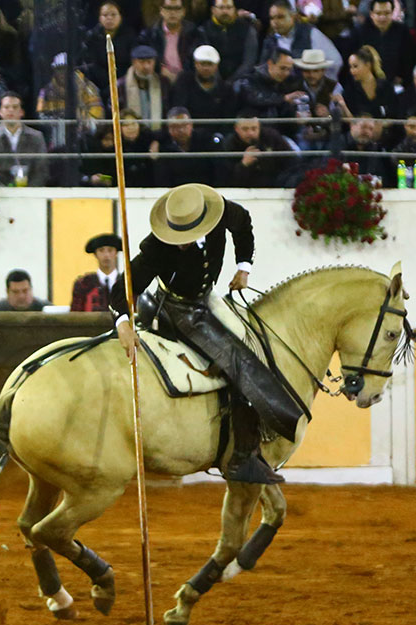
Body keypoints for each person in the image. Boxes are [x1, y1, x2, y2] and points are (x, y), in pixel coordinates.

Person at [111, 183, 304, 485]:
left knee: (256, 340)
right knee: (239, 362)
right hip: (175, 308)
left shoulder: (225, 213)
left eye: (185, 237)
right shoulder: (157, 246)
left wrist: (244, 266)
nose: (181, 243)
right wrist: (123, 321)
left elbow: (244, 226)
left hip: (207, 298)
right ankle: (242, 458)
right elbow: (123, 287)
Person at [0, 90, 48, 186]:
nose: (11, 110)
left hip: (31, 194)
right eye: (6, 107)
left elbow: (42, 170)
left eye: (15, 107)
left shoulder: (36, 137)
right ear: (0, 112)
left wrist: (29, 191)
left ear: (21, 112)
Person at [36, 52, 104, 150]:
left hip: (84, 138)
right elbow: (40, 115)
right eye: (59, 69)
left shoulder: (88, 88)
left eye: (66, 69)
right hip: (56, 138)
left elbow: (98, 114)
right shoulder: (46, 91)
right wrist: (60, 121)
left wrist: (82, 122)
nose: (62, 73)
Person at [260, 0, 342, 80]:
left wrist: (316, 85)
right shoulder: (270, 40)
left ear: (293, 17)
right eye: (272, 18)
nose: (275, 22)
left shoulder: (310, 33)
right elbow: (262, 69)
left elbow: (335, 61)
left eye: (280, 17)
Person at [81, 0, 138, 106]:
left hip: (123, 83)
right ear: (99, 18)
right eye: (105, 15)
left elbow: (132, 63)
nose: (109, 18)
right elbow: (90, 63)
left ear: (120, 16)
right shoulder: (92, 37)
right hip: (98, 84)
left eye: (113, 15)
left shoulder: (130, 36)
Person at [170, 44, 237, 133]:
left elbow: (227, 118)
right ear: (196, 64)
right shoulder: (184, 82)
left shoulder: (225, 89)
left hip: (215, 135)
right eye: (202, 64)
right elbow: (179, 108)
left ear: (216, 66)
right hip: (188, 133)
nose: (206, 68)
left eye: (210, 64)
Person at [348, 0, 411, 86]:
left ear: (392, 13)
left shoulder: (402, 31)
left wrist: (402, 76)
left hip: (395, 85)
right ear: (371, 14)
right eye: (378, 13)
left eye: (387, 13)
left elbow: (409, 59)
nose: (382, 17)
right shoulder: (359, 33)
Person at [154, 105, 222, 186]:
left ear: (191, 125)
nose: (181, 130)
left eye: (184, 125)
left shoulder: (206, 140)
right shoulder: (164, 147)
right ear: (168, 128)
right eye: (175, 126)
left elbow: (219, 170)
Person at [137, 0, 201, 84]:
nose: (173, 12)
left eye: (177, 8)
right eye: (168, 8)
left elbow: (196, 61)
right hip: (158, 80)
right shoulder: (150, 35)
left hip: (188, 81)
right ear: (161, 11)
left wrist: (183, 76)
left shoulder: (193, 33)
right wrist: (160, 69)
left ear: (183, 12)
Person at [235, 47, 304, 125]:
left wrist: (295, 117)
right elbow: (255, 98)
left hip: (277, 131)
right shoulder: (250, 79)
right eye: (283, 68)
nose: (286, 73)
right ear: (270, 63)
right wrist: (283, 98)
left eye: (289, 69)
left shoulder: (287, 82)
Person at [224, 112, 293, 187]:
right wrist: (243, 165)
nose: (250, 133)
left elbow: (290, 162)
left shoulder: (271, 137)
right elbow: (226, 178)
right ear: (236, 129)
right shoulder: (229, 144)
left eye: (254, 128)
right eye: (245, 129)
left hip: (274, 185)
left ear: (259, 127)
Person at [198, 0, 259, 82]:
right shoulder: (203, 30)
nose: (225, 11)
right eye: (221, 7)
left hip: (242, 80)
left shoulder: (247, 29)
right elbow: (207, 59)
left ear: (234, 9)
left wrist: (231, 82)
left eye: (229, 8)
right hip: (212, 80)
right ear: (213, 10)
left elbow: (249, 61)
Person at [334, 44, 398, 121]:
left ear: (367, 65)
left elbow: (394, 115)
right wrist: (343, 106)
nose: (351, 71)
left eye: (355, 66)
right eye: (350, 67)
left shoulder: (386, 87)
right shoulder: (350, 90)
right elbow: (351, 121)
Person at [292, 48, 340, 150]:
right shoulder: (293, 87)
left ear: (323, 71)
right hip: (302, 135)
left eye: (315, 71)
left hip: (327, 134)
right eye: (307, 71)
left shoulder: (335, 87)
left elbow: (340, 116)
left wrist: (328, 114)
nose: (311, 75)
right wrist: (295, 117)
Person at [117, 44, 170, 131]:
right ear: (134, 62)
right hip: (131, 135)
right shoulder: (121, 85)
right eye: (142, 62)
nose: (146, 66)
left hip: (158, 135)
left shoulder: (163, 83)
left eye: (149, 62)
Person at [70, 233, 123, 312]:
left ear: (116, 253)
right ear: (95, 254)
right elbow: (75, 315)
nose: (106, 255)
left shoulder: (126, 283)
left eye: (110, 250)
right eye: (101, 250)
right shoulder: (83, 284)